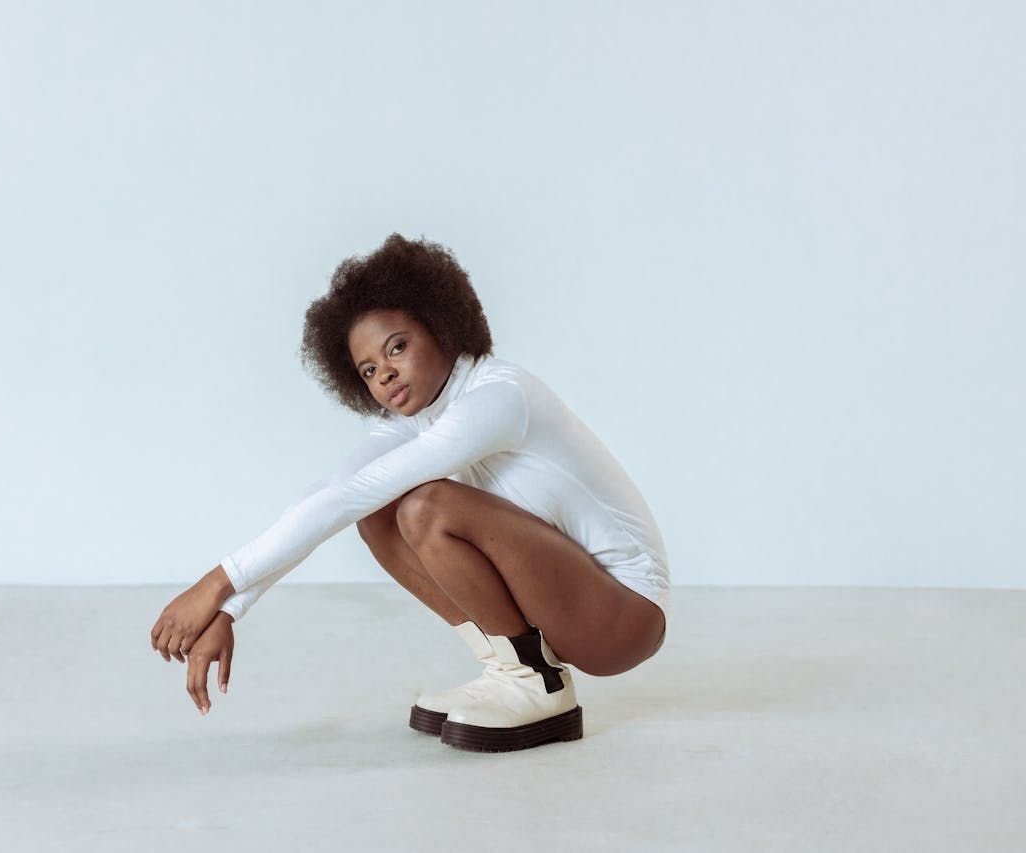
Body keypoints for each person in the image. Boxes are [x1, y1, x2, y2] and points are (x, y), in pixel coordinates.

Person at [150, 233, 670, 753]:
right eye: (369, 370)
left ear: (441, 326)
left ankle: (539, 684)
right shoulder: (418, 417)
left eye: (397, 346)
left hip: (623, 614)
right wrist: (230, 609)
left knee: (427, 508)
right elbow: (331, 494)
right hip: (561, 595)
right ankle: (511, 668)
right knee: (377, 515)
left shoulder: (497, 397)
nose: (386, 375)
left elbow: (350, 495)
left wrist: (215, 583)